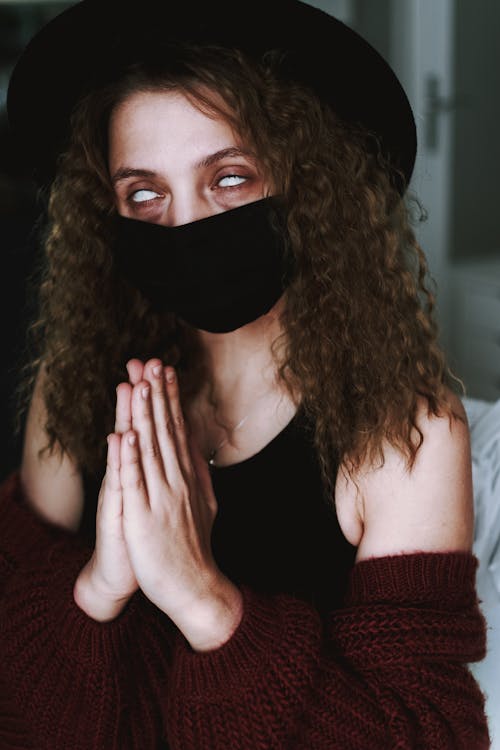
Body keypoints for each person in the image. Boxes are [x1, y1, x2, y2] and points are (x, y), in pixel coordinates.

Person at [0, 0, 490, 747]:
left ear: (308, 189)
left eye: (229, 179)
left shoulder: (402, 435)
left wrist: (205, 601)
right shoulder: (77, 389)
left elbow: (426, 734)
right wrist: (100, 585)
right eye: (144, 193)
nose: (187, 224)